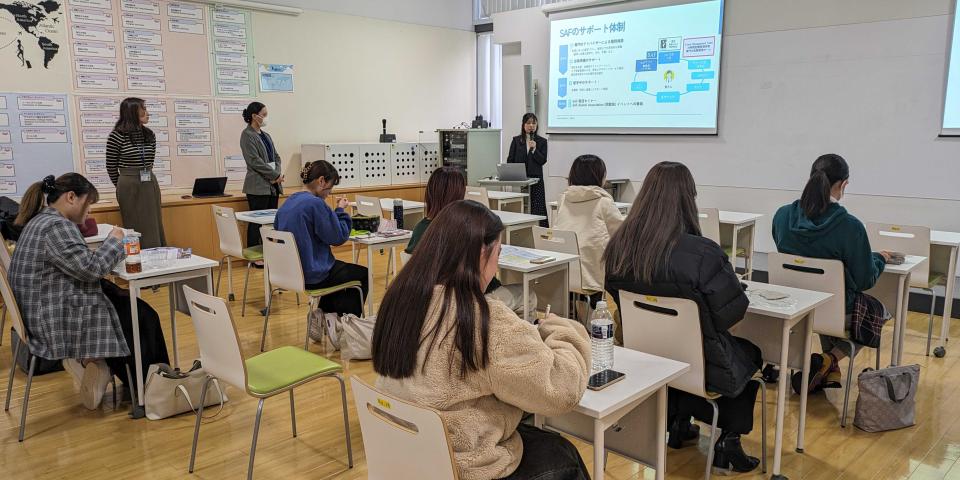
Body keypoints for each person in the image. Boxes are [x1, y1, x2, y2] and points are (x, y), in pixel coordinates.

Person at [373, 200, 591, 480]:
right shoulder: (482, 320)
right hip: (462, 465)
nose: (497, 267)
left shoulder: (401, 299)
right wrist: (561, 332)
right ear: (481, 255)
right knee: (563, 454)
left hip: (406, 452)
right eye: (497, 254)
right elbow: (562, 390)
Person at [604, 161, 762, 474]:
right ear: (689, 200)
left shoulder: (620, 247)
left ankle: (678, 422)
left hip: (645, 361)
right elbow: (732, 313)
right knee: (750, 352)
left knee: (692, 351)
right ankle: (727, 441)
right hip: (702, 368)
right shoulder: (704, 254)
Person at [9, 174, 168, 410]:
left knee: (126, 303)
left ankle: (109, 367)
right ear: (71, 197)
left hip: (40, 309)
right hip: (52, 320)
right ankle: (153, 388)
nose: (89, 211)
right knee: (141, 315)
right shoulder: (56, 227)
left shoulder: (41, 220)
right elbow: (91, 269)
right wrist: (115, 241)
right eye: (89, 203)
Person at [772, 153, 891, 393]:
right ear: (843, 184)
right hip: (833, 310)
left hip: (794, 306)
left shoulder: (782, 215)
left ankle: (827, 369)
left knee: (832, 305)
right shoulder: (850, 227)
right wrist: (880, 258)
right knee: (879, 312)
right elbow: (865, 280)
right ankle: (830, 359)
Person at [274, 160, 367, 317]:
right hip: (312, 274)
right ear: (321, 181)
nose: (328, 194)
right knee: (361, 274)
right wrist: (340, 210)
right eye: (329, 189)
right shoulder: (315, 204)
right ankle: (343, 323)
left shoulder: (287, 203)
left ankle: (322, 314)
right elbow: (338, 237)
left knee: (337, 271)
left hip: (289, 272)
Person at [553, 154, 624, 305]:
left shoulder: (563, 199)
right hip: (592, 276)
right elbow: (622, 235)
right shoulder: (603, 202)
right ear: (599, 176)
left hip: (562, 272)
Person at [106, 97, 165, 249]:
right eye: (143, 109)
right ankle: (136, 259)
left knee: (154, 222)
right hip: (128, 183)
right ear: (132, 112)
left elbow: (150, 161)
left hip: (149, 180)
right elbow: (111, 166)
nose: (147, 112)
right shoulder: (117, 136)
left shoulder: (149, 134)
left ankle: (157, 254)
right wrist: (122, 185)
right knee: (134, 224)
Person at [241, 102, 283, 251]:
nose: (265, 118)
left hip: (273, 186)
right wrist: (273, 175)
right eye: (263, 115)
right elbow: (254, 161)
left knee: (272, 222)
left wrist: (276, 175)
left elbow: (276, 157)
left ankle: (271, 252)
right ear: (254, 116)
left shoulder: (266, 135)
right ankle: (255, 254)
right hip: (257, 187)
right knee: (256, 223)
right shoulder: (247, 135)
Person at [506, 113, 548, 227]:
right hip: (519, 179)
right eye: (528, 123)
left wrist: (534, 149)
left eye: (534, 123)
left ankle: (539, 231)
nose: (531, 126)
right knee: (519, 205)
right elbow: (510, 160)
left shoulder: (542, 141)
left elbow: (543, 160)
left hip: (536, 180)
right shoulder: (516, 141)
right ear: (523, 125)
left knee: (537, 207)